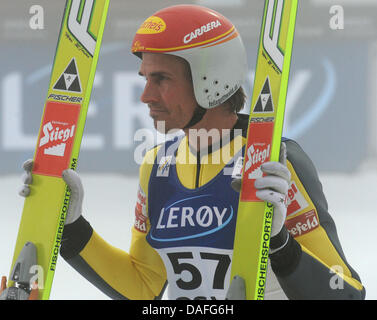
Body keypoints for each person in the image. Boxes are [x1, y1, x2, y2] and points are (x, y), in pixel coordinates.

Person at [20, 4, 365, 300]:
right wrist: (72, 228)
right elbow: (144, 285)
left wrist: (281, 245)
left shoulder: (276, 163)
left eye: (162, 80)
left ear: (210, 79)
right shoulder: (157, 166)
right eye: (145, 79)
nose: (146, 96)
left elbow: (347, 290)